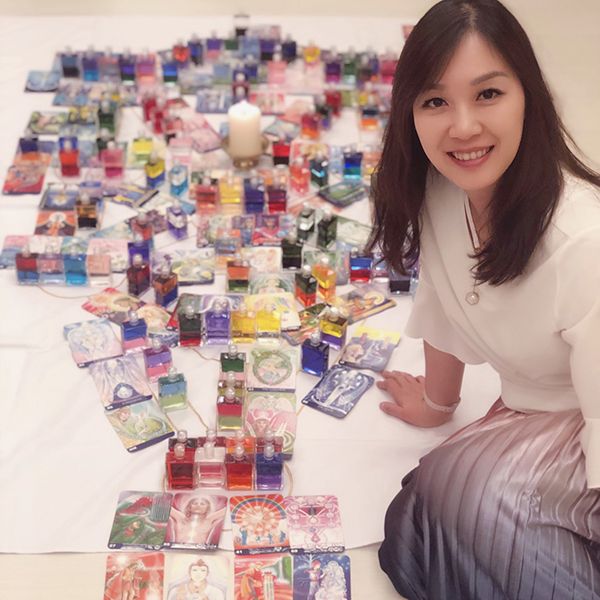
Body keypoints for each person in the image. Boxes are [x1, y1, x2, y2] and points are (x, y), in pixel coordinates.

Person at [369, 0, 600, 598]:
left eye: (489, 94)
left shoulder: (585, 243)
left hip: (588, 423)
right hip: (535, 411)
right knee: (423, 510)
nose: (464, 127)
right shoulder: (441, 192)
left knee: (471, 501)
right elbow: (445, 297)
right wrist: (438, 404)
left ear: (529, 96)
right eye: (435, 102)